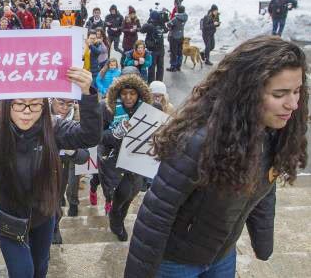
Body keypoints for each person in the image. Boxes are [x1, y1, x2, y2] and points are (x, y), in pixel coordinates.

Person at [125, 35, 308, 277]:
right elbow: (157, 214)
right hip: (175, 262)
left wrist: (263, 242)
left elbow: (264, 184)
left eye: (297, 91)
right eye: (279, 94)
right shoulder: (197, 141)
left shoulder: (274, 132)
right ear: (247, 92)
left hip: (222, 254)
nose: (293, 104)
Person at [0, 66, 102, 278]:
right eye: (19, 104)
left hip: (44, 212)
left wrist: (88, 94)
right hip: (7, 215)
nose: (27, 112)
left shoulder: (53, 126)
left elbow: (90, 136)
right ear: (8, 104)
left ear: (44, 107)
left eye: (35, 105)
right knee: (22, 272)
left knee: (41, 266)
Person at [97, 74, 153, 241]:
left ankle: (119, 219)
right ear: (118, 94)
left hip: (136, 164)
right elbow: (96, 136)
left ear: (139, 94)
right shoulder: (106, 108)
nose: (128, 97)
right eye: (124, 93)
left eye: (132, 93)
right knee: (119, 198)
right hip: (114, 164)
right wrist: (115, 133)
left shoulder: (147, 110)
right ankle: (116, 224)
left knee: (130, 197)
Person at [50, 98, 91, 244]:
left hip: (63, 168)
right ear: (52, 101)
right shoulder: (39, 114)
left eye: (69, 104)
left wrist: (69, 150)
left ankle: (54, 227)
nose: (65, 108)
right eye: (61, 104)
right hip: (42, 168)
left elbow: (84, 156)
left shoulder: (79, 119)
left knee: (56, 202)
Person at [166, 5, 188, 72]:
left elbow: (169, 24)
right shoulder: (185, 17)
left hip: (174, 37)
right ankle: (178, 65)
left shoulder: (175, 19)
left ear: (177, 10)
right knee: (179, 51)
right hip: (181, 36)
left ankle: (173, 66)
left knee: (173, 52)